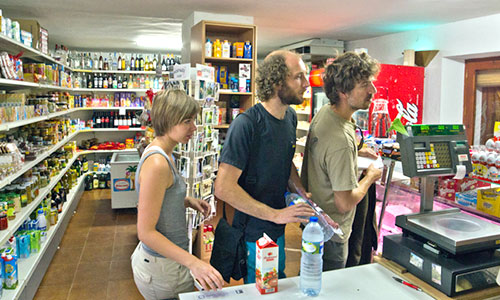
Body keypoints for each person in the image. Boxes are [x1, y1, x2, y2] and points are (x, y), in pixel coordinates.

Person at [214, 50, 315, 283]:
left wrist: (301, 195)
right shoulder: (246, 125)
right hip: (253, 232)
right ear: (277, 81)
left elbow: (284, 160)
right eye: (299, 77)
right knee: (262, 288)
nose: (306, 83)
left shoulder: (290, 117)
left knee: (275, 282)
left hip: (277, 226)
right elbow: (224, 188)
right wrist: (276, 215)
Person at [131, 89, 224, 300]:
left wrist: (187, 201)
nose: (194, 127)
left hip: (168, 262)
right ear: (168, 120)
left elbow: (159, 199)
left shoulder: (165, 153)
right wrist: (195, 263)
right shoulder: (157, 163)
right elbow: (145, 232)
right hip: (163, 268)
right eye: (187, 121)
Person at [301, 51, 383, 271]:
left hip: (316, 223)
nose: (372, 91)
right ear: (343, 92)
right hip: (333, 233)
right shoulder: (341, 141)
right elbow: (345, 203)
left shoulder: (326, 113)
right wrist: (370, 177)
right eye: (365, 84)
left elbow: (327, 155)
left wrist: (357, 150)